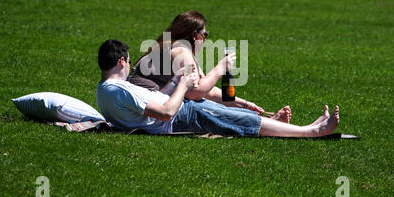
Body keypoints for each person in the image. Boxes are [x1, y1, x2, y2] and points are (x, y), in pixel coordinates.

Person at [96, 39, 340, 138]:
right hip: (180, 117)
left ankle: (280, 126)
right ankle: (312, 131)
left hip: (181, 110)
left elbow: (156, 101)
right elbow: (167, 112)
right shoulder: (119, 90)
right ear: (122, 61)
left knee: (234, 116)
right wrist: (183, 84)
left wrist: (173, 83)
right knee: (236, 121)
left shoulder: (105, 90)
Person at [127, 10, 292, 123]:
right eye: (205, 34)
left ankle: (262, 119)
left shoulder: (177, 47)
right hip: (146, 113)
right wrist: (221, 68)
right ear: (195, 35)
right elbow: (195, 92)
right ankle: (267, 123)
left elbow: (208, 90)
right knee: (202, 107)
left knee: (205, 104)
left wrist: (244, 104)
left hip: (144, 109)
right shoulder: (180, 50)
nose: (206, 39)